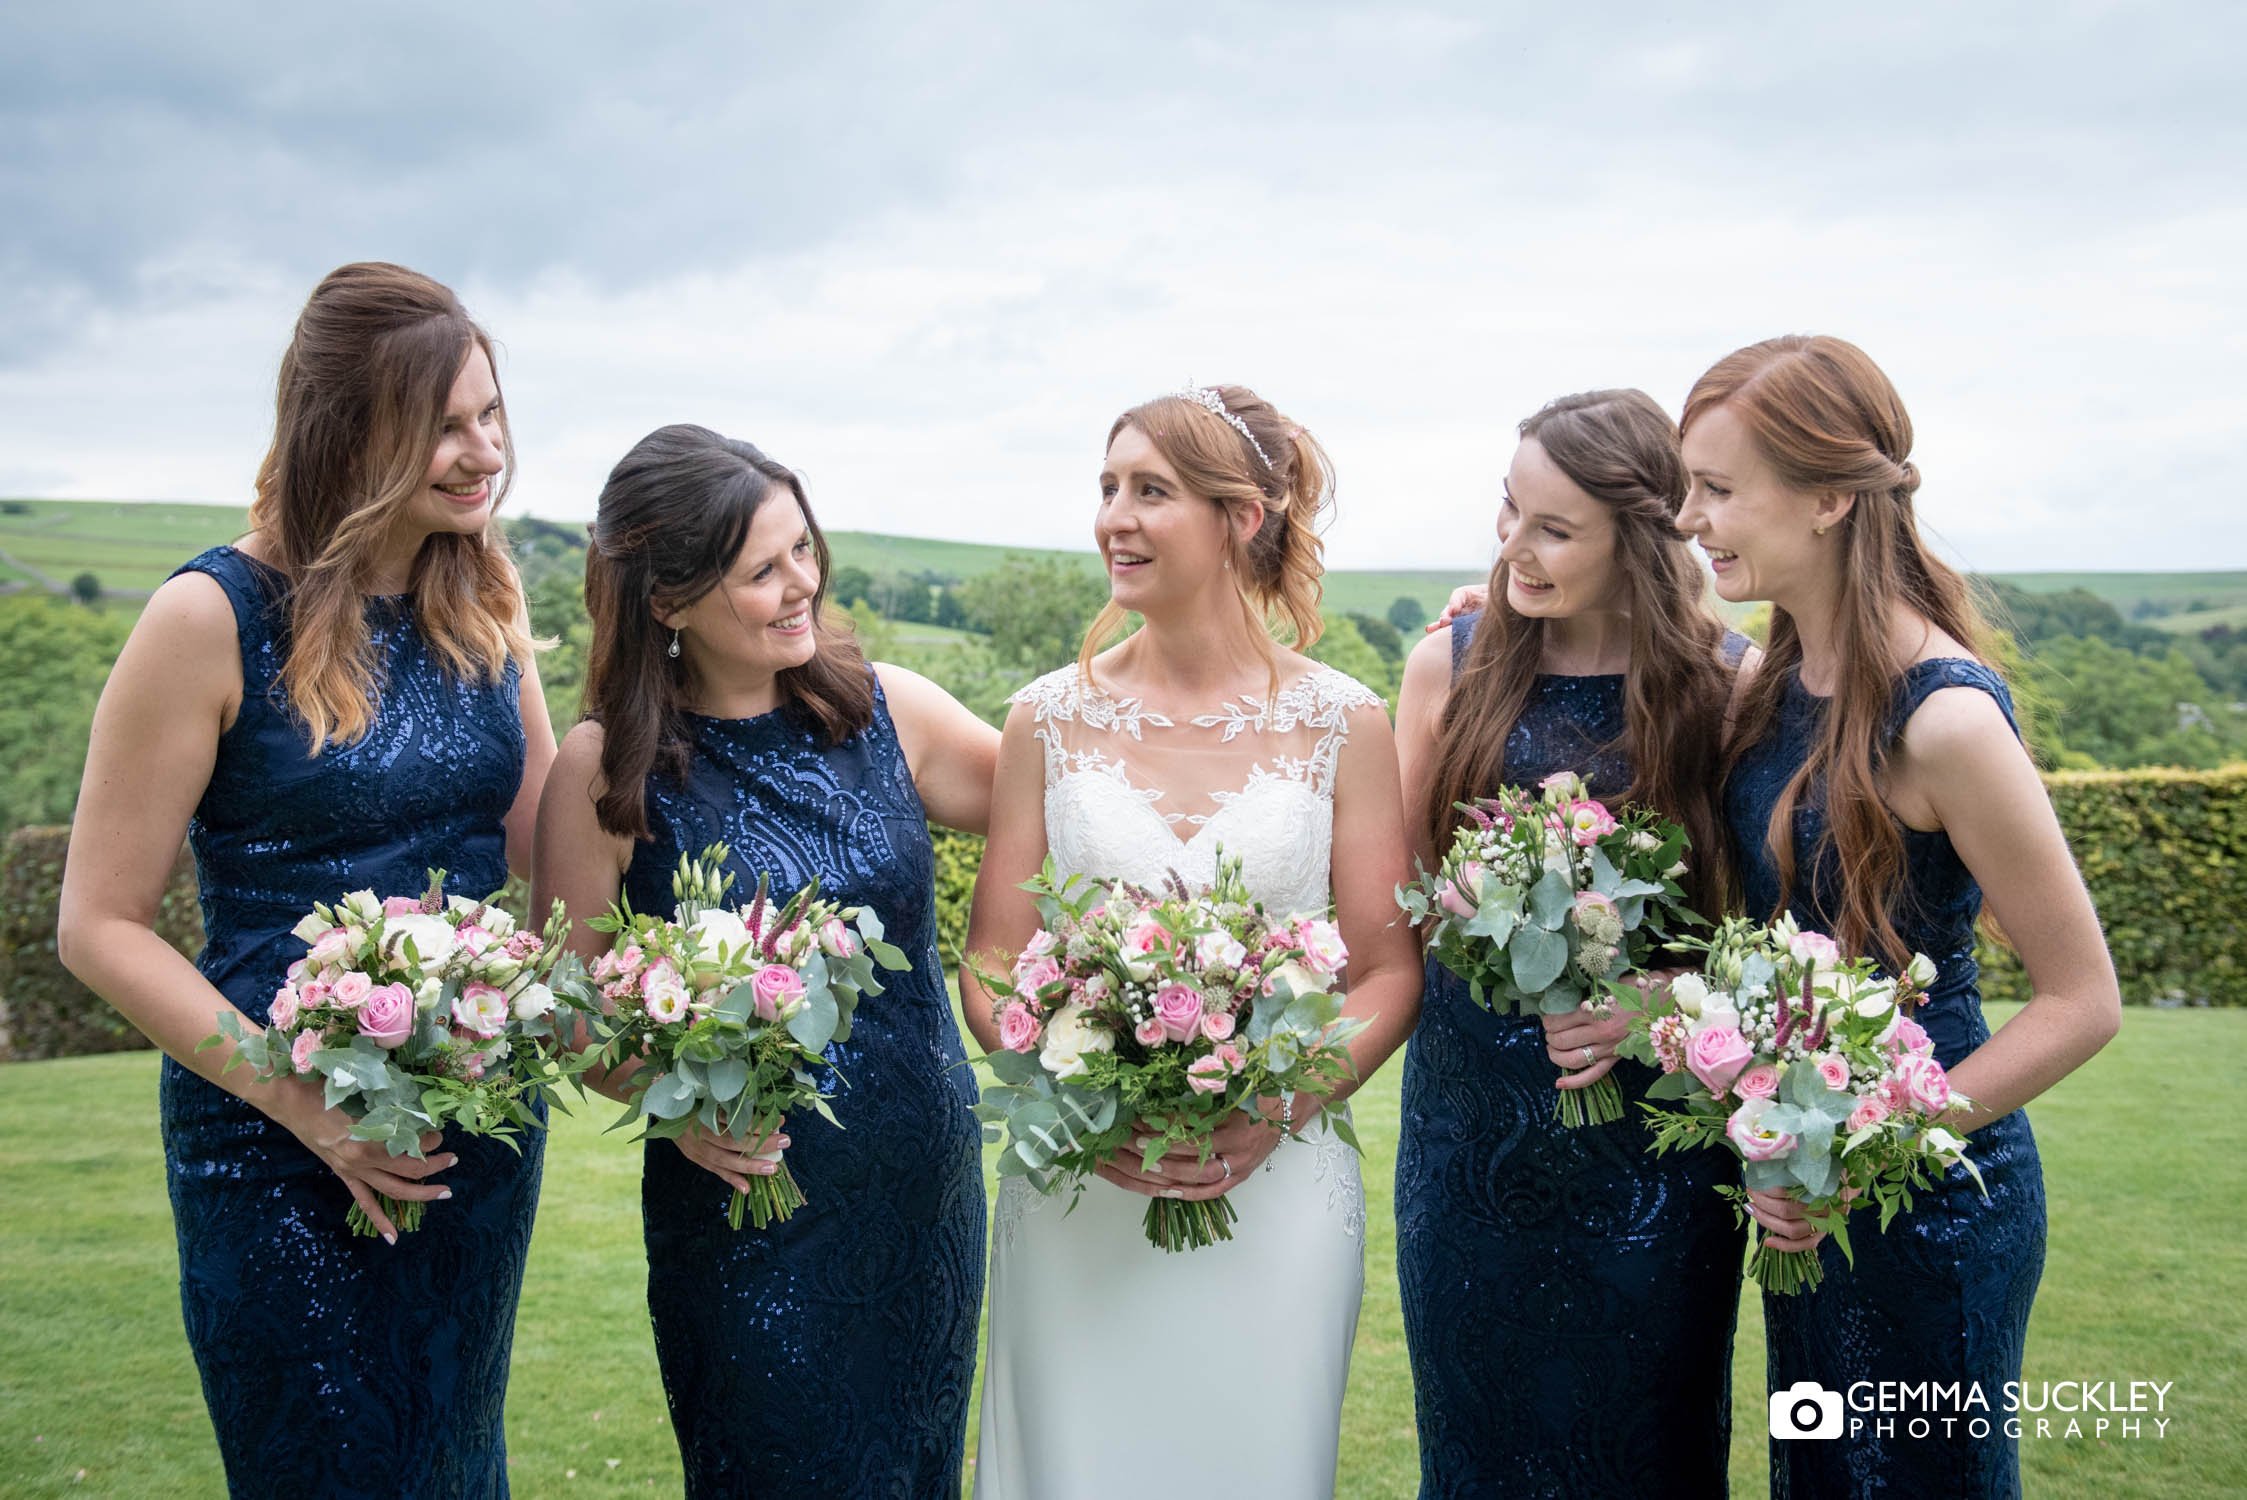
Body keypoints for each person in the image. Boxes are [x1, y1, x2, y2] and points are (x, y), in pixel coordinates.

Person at [56, 262, 557, 1497]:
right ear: (347, 426)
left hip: (471, 1136)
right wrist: (299, 1103)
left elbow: (555, 857)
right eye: (442, 423)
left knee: (452, 1457)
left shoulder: (484, 602)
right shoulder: (207, 616)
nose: (480, 449)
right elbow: (98, 924)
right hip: (275, 1143)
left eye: (490, 414)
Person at [1677, 334, 2120, 1496]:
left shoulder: (1946, 721)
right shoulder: (1768, 678)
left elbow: (2084, 1001)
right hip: (1802, 1197)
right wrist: (1487, 616)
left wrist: (1857, 1157)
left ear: (1828, 495)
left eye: (1719, 489)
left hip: (1932, 1203)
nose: (1692, 518)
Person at [964, 385, 1422, 1498]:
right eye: (1108, 487)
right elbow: (989, 961)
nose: (1115, 516)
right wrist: (1080, 1088)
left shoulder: (1344, 724)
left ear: (1242, 518)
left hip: (1277, 1184)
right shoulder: (1045, 718)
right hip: (1081, 1185)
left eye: (1151, 491)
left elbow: (1387, 966)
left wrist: (1273, 1107)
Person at [533, 423, 997, 1497]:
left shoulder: (889, 710)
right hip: (748, 1209)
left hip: (920, 1187)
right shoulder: (607, 768)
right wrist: (674, 1099)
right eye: (761, 569)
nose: (801, 585)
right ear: (668, 600)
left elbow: (1070, 784)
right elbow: (567, 1008)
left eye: (804, 550)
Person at [1392, 389, 1752, 1497]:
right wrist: (1460, 899)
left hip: (1653, 1142)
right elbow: (1398, 889)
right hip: (1469, 1131)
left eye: (1553, 529)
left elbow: (1761, 941)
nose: (1516, 548)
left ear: (1640, 539)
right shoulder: (1449, 663)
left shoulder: (1725, 688)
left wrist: (1658, 1006)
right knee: (1478, 1440)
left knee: (1649, 1442)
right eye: (1509, 513)